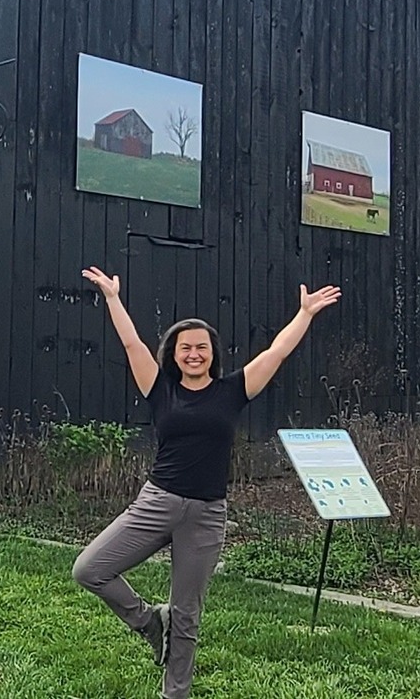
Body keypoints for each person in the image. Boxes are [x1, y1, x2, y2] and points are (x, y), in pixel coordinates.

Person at [71, 265, 342, 699]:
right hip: (156, 503)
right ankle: (147, 621)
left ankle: (174, 693)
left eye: (201, 347)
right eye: (184, 348)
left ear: (212, 352)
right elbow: (130, 342)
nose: (193, 354)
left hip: (206, 514)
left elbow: (276, 352)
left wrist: (305, 314)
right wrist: (113, 298)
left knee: (188, 612)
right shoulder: (159, 389)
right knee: (90, 569)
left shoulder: (233, 391)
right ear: (173, 354)